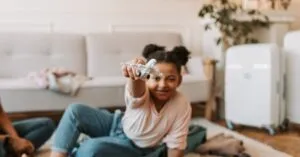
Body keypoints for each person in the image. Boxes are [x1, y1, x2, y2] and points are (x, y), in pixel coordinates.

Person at [49, 44, 207, 157]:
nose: (162, 85)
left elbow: (176, 146)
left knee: (91, 148)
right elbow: (136, 91)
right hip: (117, 123)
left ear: (179, 80)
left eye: (171, 79)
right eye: (156, 78)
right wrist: (136, 76)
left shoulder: (181, 104)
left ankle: (87, 147)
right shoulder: (142, 88)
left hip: (135, 146)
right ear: (146, 78)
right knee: (74, 111)